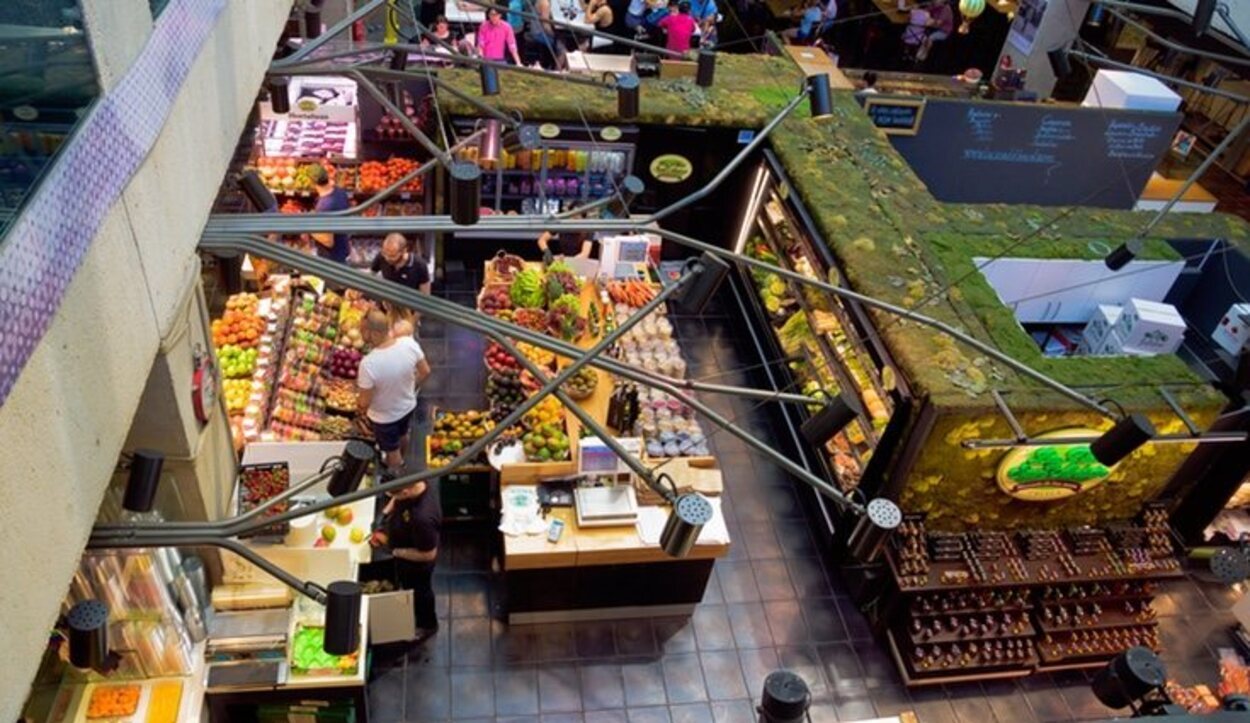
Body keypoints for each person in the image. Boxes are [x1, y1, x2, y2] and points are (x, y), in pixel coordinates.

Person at [357, 311, 431, 474]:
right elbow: (425, 371)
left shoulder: (368, 364)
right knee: (403, 433)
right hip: (407, 406)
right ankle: (402, 459)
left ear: (374, 333)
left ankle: (396, 481)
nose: (361, 335)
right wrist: (410, 388)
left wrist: (359, 402)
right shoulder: (408, 344)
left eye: (363, 331)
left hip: (384, 417)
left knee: (392, 451)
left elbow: (364, 402)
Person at [380, 478, 441, 641]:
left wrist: (397, 552)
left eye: (396, 496)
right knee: (410, 591)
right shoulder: (416, 482)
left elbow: (429, 554)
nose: (394, 498)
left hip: (417, 566)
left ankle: (427, 626)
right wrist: (386, 512)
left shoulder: (423, 518)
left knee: (421, 594)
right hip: (405, 549)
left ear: (406, 493)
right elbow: (397, 495)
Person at [373, 233, 432, 330]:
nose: (387, 258)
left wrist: (412, 322)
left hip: (409, 314)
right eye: (385, 254)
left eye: (392, 256)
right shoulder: (382, 257)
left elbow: (425, 297)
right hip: (387, 312)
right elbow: (371, 275)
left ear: (404, 251)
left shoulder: (419, 265)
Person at [311, 166, 351, 264]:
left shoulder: (324, 207)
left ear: (312, 183)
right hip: (343, 248)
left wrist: (309, 229)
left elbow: (329, 242)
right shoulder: (340, 192)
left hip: (331, 259)